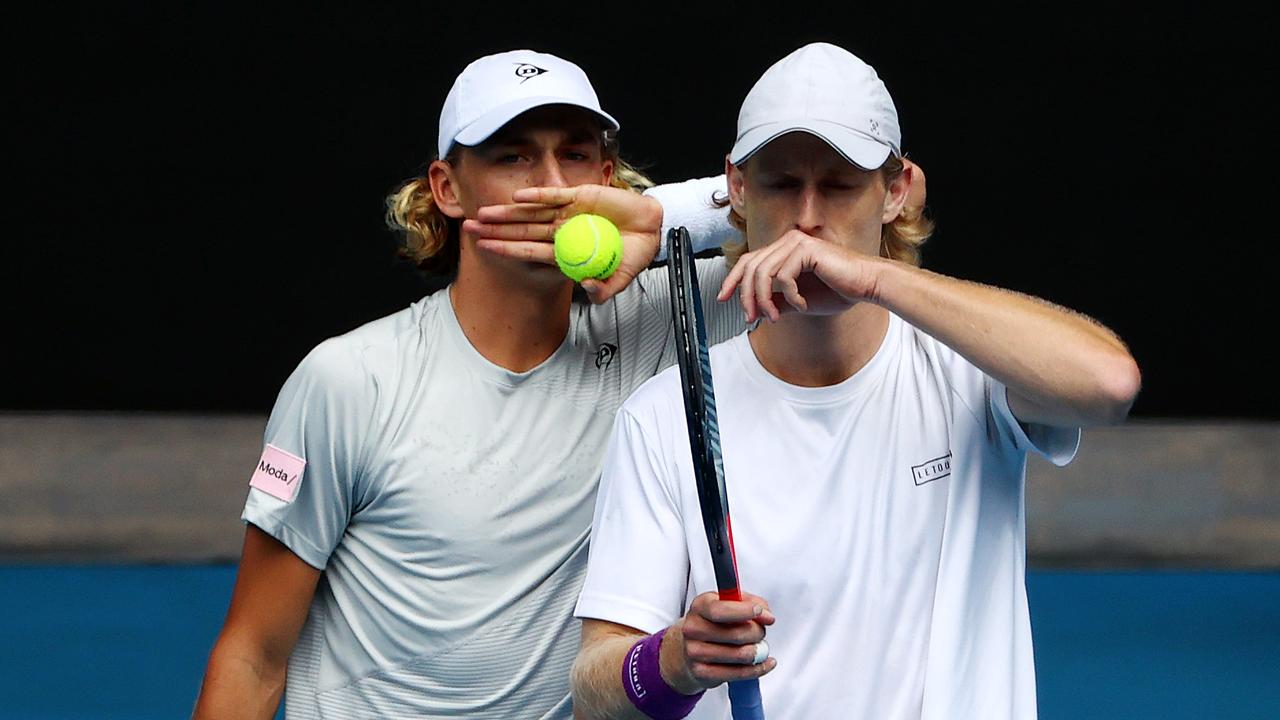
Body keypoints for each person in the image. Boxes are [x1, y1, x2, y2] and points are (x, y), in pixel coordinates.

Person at [570, 42, 1142, 719]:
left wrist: (873, 277)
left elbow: (1109, 383)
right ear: (739, 190)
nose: (809, 215)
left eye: (840, 185)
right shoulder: (662, 416)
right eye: (782, 183)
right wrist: (672, 661)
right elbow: (594, 689)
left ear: (896, 191)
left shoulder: (971, 374)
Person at [190, 49, 750, 720]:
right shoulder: (348, 383)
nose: (550, 187)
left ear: (607, 182)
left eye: (574, 157)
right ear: (447, 188)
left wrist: (665, 216)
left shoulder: (671, 317)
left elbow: (851, 239)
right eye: (513, 157)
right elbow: (253, 656)